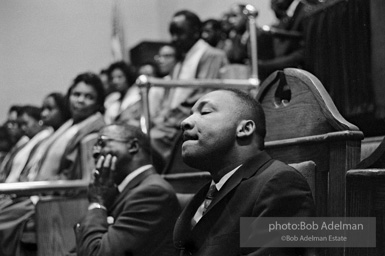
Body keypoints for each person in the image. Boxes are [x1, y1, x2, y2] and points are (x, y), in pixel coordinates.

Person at [174, 89, 315, 255]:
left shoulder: (280, 183)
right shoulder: (206, 192)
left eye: (205, 112)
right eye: (190, 113)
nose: (184, 122)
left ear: (245, 129)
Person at [0, 72, 106, 256]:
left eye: (89, 97)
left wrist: (37, 190)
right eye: (76, 94)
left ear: (98, 103)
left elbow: (75, 176)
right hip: (39, 193)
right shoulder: (70, 126)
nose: (80, 100)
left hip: (56, 198)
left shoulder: (92, 133)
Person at [74, 123, 181, 256]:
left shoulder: (153, 193)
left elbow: (98, 253)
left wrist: (97, 203)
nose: (95, 152)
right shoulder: (120, 191)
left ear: (133, 146)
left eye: (102, 142)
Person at [151, 10, 228, 166]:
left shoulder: (211, 55)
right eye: (172, 33)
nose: (174, 39)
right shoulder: (181, 61)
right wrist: (163, 116)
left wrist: (170, 118)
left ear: (195, 32)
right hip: (173, 120)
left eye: (179, 33)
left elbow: (204, 94)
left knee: (151, 139)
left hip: (192, 119)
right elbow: (171, 96)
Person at [104, 61, 139, 125]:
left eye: (119, 77)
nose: (115, 81)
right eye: (112, 78)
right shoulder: (111, 99)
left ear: (128, 77)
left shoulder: (137, 96)